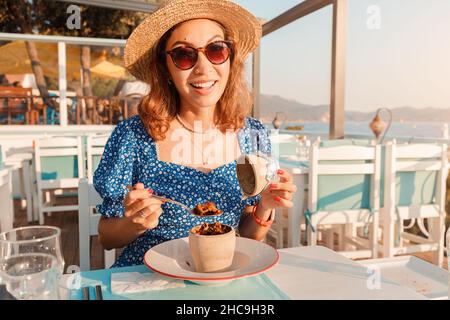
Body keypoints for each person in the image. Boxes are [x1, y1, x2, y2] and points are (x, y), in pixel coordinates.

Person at [94, 0, 297, 267]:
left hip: (222, 274)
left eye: (216, 50)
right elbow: (107, 238)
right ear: (165, 68)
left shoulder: (254, 135)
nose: (203, 67)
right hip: (148, 280)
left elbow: (249, 235)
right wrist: (134, 223)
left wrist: (265, 205)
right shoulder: (132, 136)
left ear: (230, 59)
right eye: (184, 55)